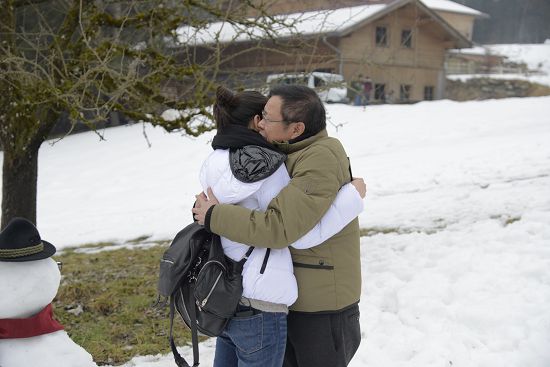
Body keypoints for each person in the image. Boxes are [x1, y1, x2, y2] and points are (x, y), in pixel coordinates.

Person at [193, 85, 364, 367]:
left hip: (320, 305)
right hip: (288, 298)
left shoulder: (319, 156)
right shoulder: (279, 150)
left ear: (296, 128)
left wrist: (214, 215)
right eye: (260, 115)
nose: (260, 123)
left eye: (267, 118)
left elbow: (280, 227)